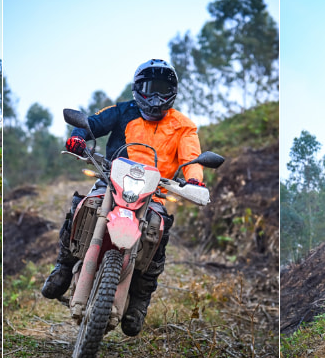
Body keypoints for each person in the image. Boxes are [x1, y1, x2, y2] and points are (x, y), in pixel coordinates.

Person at [41, 59, 204, 336]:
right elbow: (90, 124)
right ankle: (64, 265)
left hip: (154, 192)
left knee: (159, 231)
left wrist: (194, 178)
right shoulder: (120, 111)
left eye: (162, 89)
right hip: (110, 180)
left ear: (172, 92)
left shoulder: (183, 126)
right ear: (137, 89)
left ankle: (140, 300)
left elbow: (192, 157)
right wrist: (78, 137)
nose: (155, 96)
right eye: (149, 88)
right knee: (82, 206)